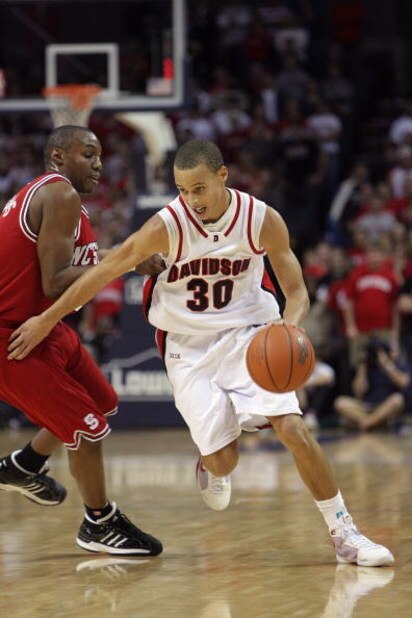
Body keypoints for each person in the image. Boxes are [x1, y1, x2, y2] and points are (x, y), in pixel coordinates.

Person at [8, 139, 394, 567]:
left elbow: (297, 290)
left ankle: (345, 534)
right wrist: (47, 319)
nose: (191, 200)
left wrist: (292, 325)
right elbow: (101, 273)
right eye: (182, 190)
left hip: (250, 335)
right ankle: (209, 463)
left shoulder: (261, 219)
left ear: (222, 177)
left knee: (293, 427)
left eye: (199, 189)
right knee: (224, 462)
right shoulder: (165, 226)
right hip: (188, 348)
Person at [0, 125, 162, 557]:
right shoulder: (60, 195)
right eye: (88, 154)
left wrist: (121, 257)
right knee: (88, 430)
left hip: (44, 327)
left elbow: (58, 277)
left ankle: (25, 464)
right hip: (12, 337)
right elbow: (54, 283)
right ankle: (99, 522)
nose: (98, 164)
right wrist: (123, 262)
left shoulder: (64, 202)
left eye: (99, 155)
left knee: (104, 401)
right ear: (57, 157)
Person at [334, 339, 410, 431]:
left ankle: (367, 423)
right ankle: (373, 422)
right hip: (366, 407)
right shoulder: (366, 368)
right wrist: (362, 364)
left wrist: (386, 364)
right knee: (340, 402)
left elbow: (404, 383)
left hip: (384, 407)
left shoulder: (396, 366)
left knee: (397, 400)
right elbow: (358, 391)